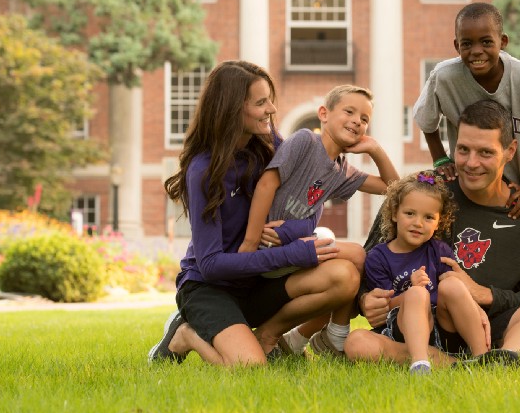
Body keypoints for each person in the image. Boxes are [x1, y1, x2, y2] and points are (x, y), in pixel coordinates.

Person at [147, 61, 360, 367]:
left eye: (269, 100)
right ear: (232, 109)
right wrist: (291, 255)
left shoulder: (270, 145)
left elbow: (311, 202)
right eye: (261, 103)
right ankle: (186, 334)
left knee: (345, 275)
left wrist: (287, 236)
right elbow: (210, 265)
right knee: (250, 366)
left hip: (258, 281)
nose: (271, 109)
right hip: (211, 288)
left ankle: (269, 337)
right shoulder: (203, 171)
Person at [347, 99, 520, 366]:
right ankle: (464, 363)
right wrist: (365, 299)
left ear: (510, 151)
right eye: (463, 150)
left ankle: (506, 355)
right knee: (358, 343)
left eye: (485, 153)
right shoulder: (425, 192)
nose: (471, 163)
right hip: (425, 324)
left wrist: (482, 293)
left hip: (493, 324)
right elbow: (371, 258)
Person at [238, 84, 399, 356]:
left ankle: (321, 334)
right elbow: (267, 184)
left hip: (293, 248)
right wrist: (250, 244)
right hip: (267, 248)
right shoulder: (305, 141)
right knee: (358, 254)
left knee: (350, 268)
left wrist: (375, 150)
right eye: (349, 111)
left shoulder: (340, 170)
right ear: (324, 113)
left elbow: (394, 188)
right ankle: (336, 335)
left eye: (364, 119)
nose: (357, 121)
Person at [413, 2, 520, 219]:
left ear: (503, 42)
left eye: (487, 42)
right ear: (456, 45)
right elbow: (426, 120)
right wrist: (441, 159)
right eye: (467, 44)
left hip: (513, 192)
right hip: (466, 185)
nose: (476, 51)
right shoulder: (444, 77)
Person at [362, 170, 490, 374]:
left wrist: (475, 308)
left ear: (439, 222)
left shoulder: (438, 251)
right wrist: (411, 292)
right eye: (410, 213)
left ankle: (483, 358)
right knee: (355, 342)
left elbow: (456, 294)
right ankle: (423, 363)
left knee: (453, 284)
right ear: (395, 213)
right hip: (402, 331)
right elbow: (384, 309)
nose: (418, 223)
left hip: (441, 328)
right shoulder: (378, 257)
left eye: (428, 217)